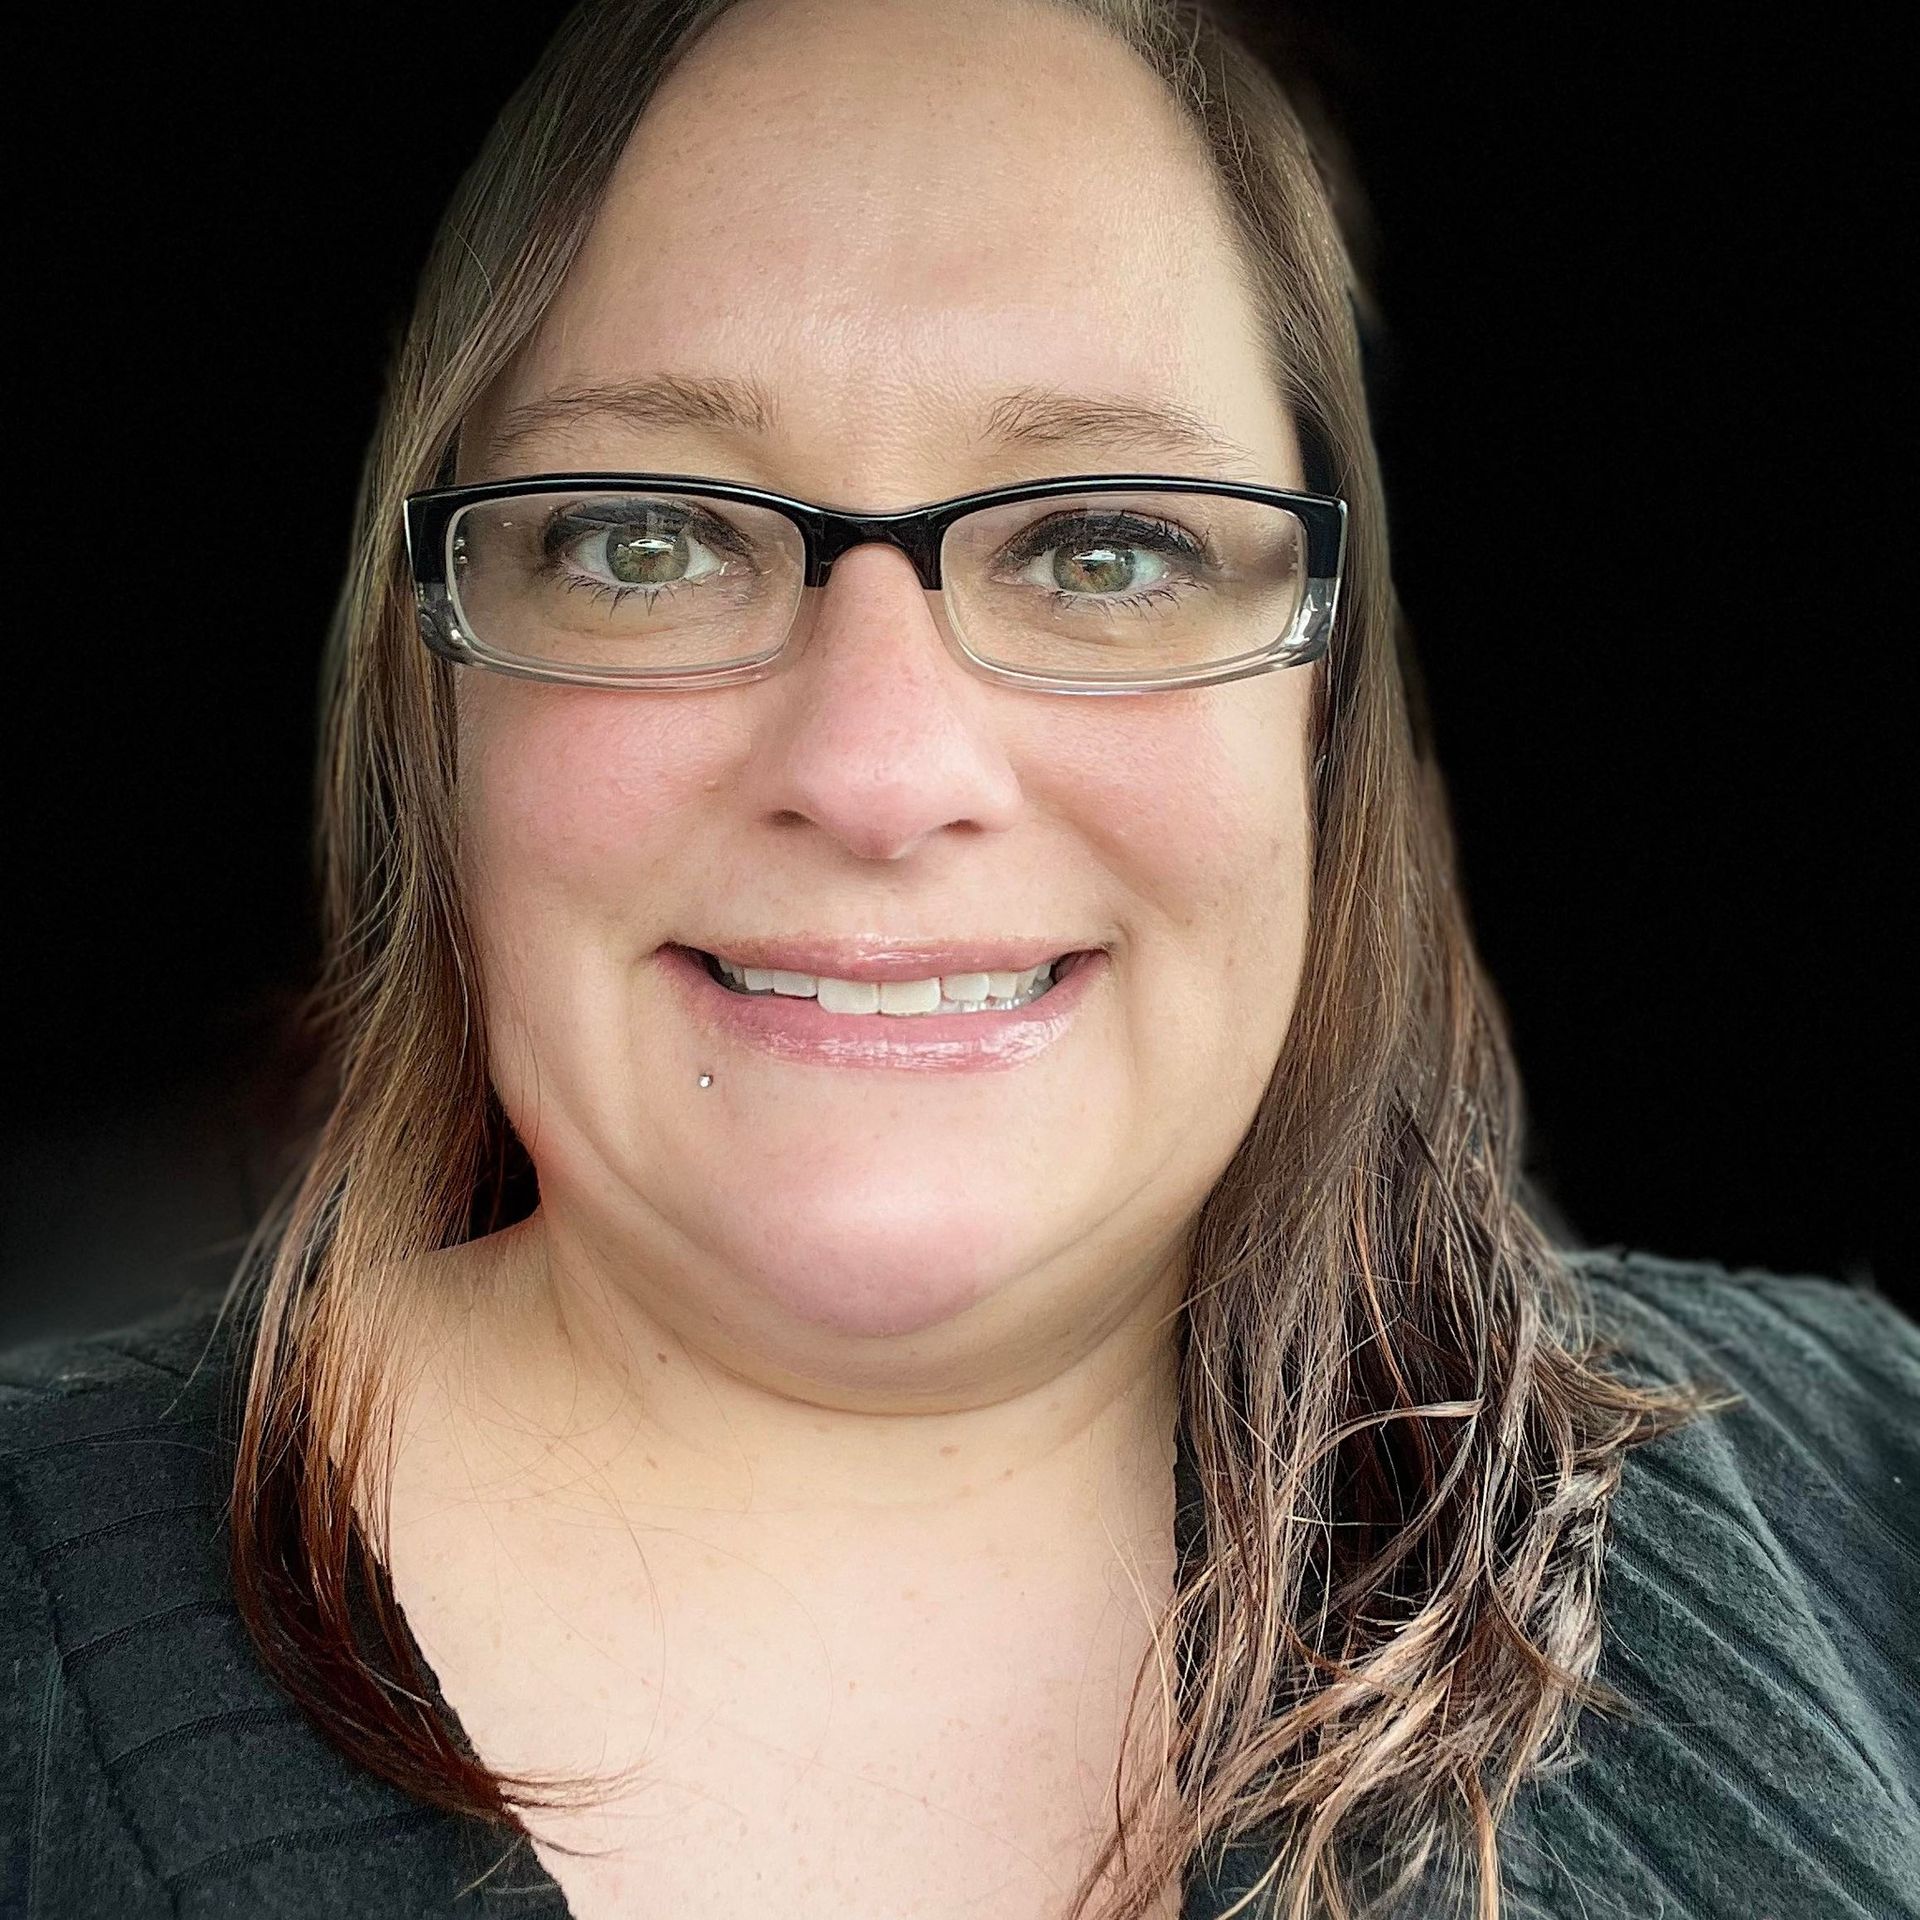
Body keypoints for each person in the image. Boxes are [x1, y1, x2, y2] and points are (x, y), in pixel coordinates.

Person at [4, 2, 1914, 1916]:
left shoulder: (1864, 1493)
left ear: (1323, 714)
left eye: (1103, 551)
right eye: (651, 545)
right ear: (435, 699)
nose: (878, 773)